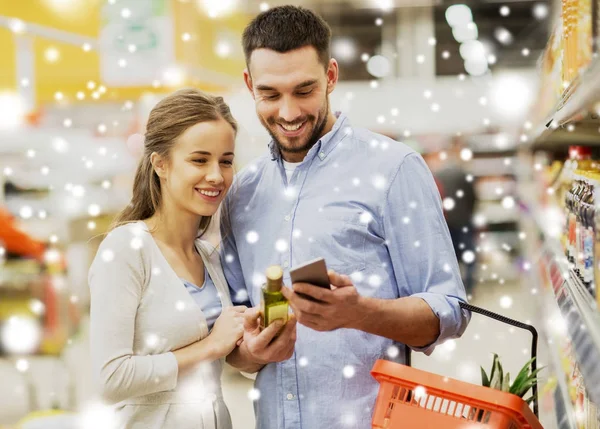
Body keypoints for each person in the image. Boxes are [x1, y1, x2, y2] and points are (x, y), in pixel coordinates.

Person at [220, 6, 471, 429]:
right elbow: (233, 337)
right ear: (249, 85)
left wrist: (360, 312)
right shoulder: (241, 193)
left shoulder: (393, 170)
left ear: (331, 76)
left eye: (304, 90)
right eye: (270, 94)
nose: (288, 112)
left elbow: (450, 309)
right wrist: (253, 351)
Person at [88, 88, 249, 429]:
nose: (216, 176)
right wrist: (210, 346)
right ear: (160, 163)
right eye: (199, 160)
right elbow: (111, 378)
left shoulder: (209, 256)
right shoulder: (127, 250)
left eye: (225, 160)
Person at [432, 138, 478, 297]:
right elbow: (473, 196)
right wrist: (470, 212)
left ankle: (456, 290)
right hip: (464, 219)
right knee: (469, 255)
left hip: (446, 221)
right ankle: (470, 287)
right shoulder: (463, 172)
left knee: (451, 256)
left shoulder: (436, 174)